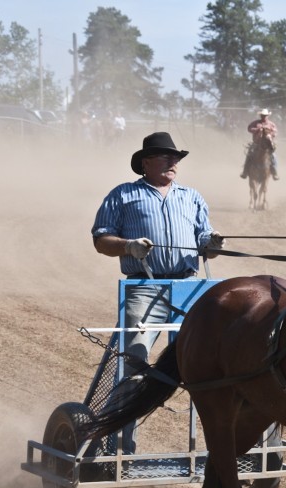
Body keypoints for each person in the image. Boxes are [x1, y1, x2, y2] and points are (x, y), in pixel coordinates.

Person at [91, 131, 224, 453]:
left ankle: (218, 451)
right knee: (134, 366)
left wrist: (212, 244)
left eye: (175, 158)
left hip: (190, 289)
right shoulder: (122, 195)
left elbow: (205, 239)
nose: (173, 162)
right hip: (144, 288)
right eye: (166, 156)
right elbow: (100, 240)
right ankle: (119, 450)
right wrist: (128, 246)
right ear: (146, 163)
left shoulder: (191, 196)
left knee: (211, 369)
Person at [240, 108, 279, 180]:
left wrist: (270, 133)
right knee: (249, 155)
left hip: (268, 145)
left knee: (273, 156)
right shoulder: (256, 123)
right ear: (260, 115)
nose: (264, 116)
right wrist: (258, 129)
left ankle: (275, 173)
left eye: (265, 115)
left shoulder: (271, 124)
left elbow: (275, 132)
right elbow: (249, 128)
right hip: (256, 143)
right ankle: (245, 172)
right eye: (262, 115)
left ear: (267, 115)